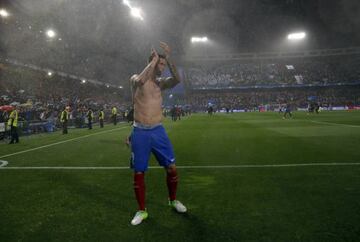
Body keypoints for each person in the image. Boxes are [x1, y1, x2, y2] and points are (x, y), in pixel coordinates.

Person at [129, 42, 187, 226]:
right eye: (159, 64)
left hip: (158, 131)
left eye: (163, 65)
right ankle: (142, 210)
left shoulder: (161, 84)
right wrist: (153, 61)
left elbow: (177, 79)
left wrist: (168, 59)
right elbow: (139, 81)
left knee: (172, 169)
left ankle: (173, 200)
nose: (161, 67)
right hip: (140, 132)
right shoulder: (136, 79)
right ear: (152, 62)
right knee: (139, 172)